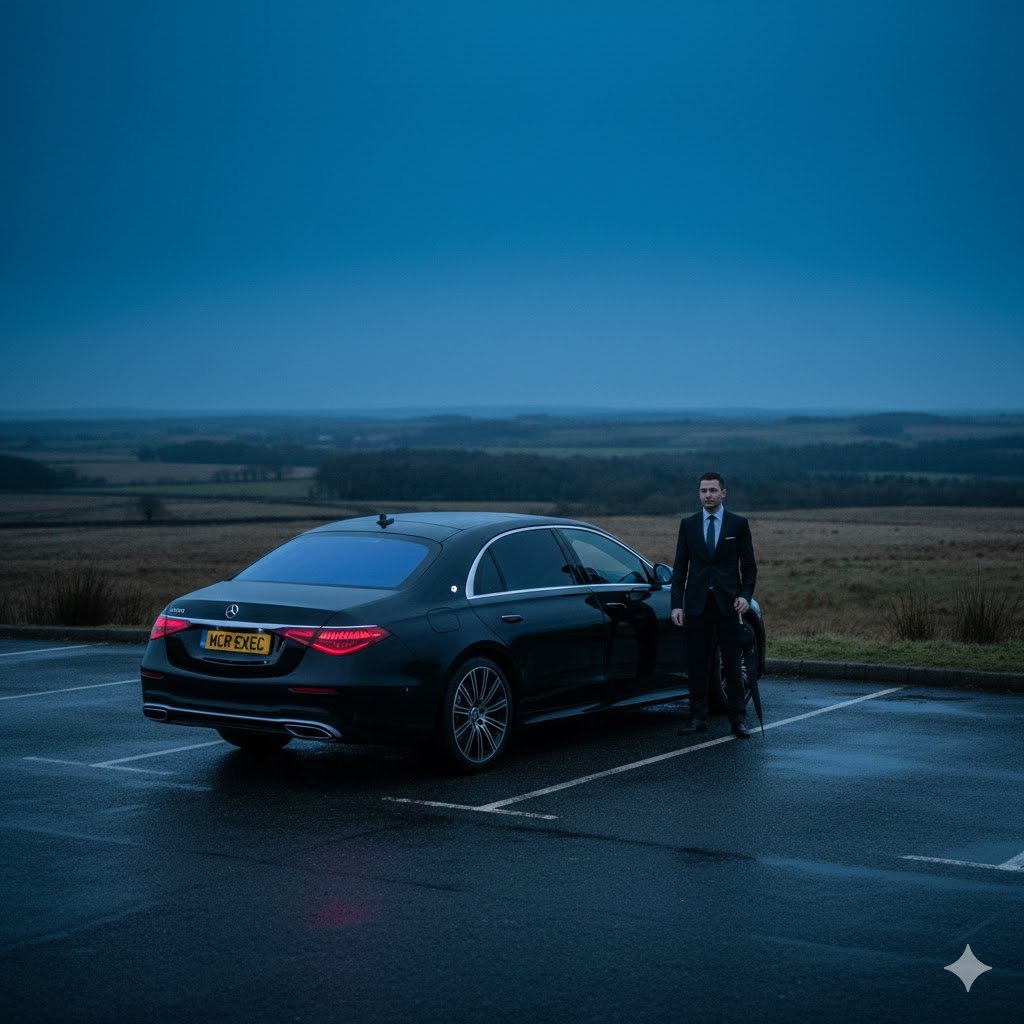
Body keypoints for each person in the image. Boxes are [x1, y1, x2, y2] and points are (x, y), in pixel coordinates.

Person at [671, 472, 758, 739]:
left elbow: (749, 567)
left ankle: (738, 720)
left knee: (732, 663)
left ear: (723, 493)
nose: (707, 495)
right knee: (697, 665)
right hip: (696, 606)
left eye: (712, 490)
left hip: (728, 606)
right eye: (703, 491)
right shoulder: (688, 525)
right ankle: (698, 717)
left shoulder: (738, 525)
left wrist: (745, 595)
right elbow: (679, 568)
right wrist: (677, 604)